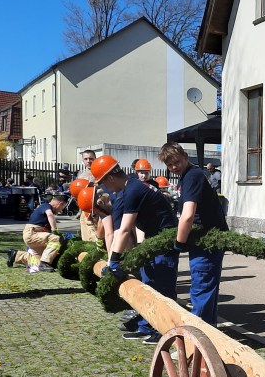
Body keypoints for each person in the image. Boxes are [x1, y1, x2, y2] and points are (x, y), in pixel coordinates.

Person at [92, 155, 179, 345]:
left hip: (165, 241)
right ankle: (147, 326)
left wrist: (114, 260)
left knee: (163, 287)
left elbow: (124, 229)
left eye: (103, 183)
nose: (105, 188)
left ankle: (166, 330)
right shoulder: (128, 188)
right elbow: (123, 228)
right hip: (152, 239)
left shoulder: (133, 190)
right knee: (148, 284)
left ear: (110, 177)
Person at [158, 142, 228, 326]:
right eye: (170, 165)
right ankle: (209, 331)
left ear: (185, 156)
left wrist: (179, 243)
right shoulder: (188, 176)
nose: (174, 167)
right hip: (205, 238)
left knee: (201, 288)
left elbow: (188, 215)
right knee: (207, 289)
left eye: (177, 162)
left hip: (207, 241)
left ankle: (197, 336)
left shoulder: (192, 176)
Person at [7, 193, 68, 272]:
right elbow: (50, 215)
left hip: (35, 235)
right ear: (60, 204)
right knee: (56, 239)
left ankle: (15, 255)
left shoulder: (45, 209)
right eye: (62, 208)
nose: (61, 210)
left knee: (37, 263)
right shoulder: (46, 206)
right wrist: (55, 230)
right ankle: (44, 263)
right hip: (33, 233)